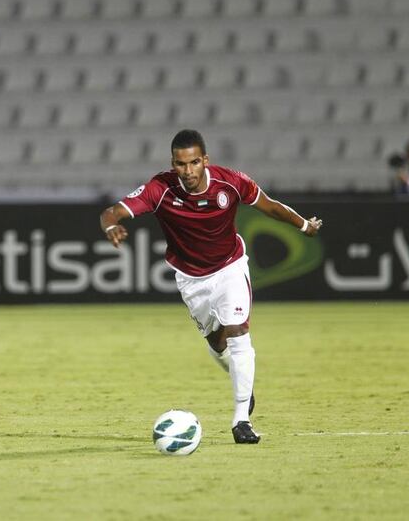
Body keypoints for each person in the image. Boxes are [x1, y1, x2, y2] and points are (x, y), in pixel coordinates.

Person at [99, 129, 322, 444]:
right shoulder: (159, 188)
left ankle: (241, 420)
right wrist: (111, 225)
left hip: (230, 267)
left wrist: (303, 225)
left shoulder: (230, 182)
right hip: (192, 279)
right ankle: (238, 377)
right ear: (172, 163)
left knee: (238, 331)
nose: (187, 171)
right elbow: (113, 211)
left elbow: (268, 205)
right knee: (217, 343)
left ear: (205, 160)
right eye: (180, 164)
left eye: (193, 163)